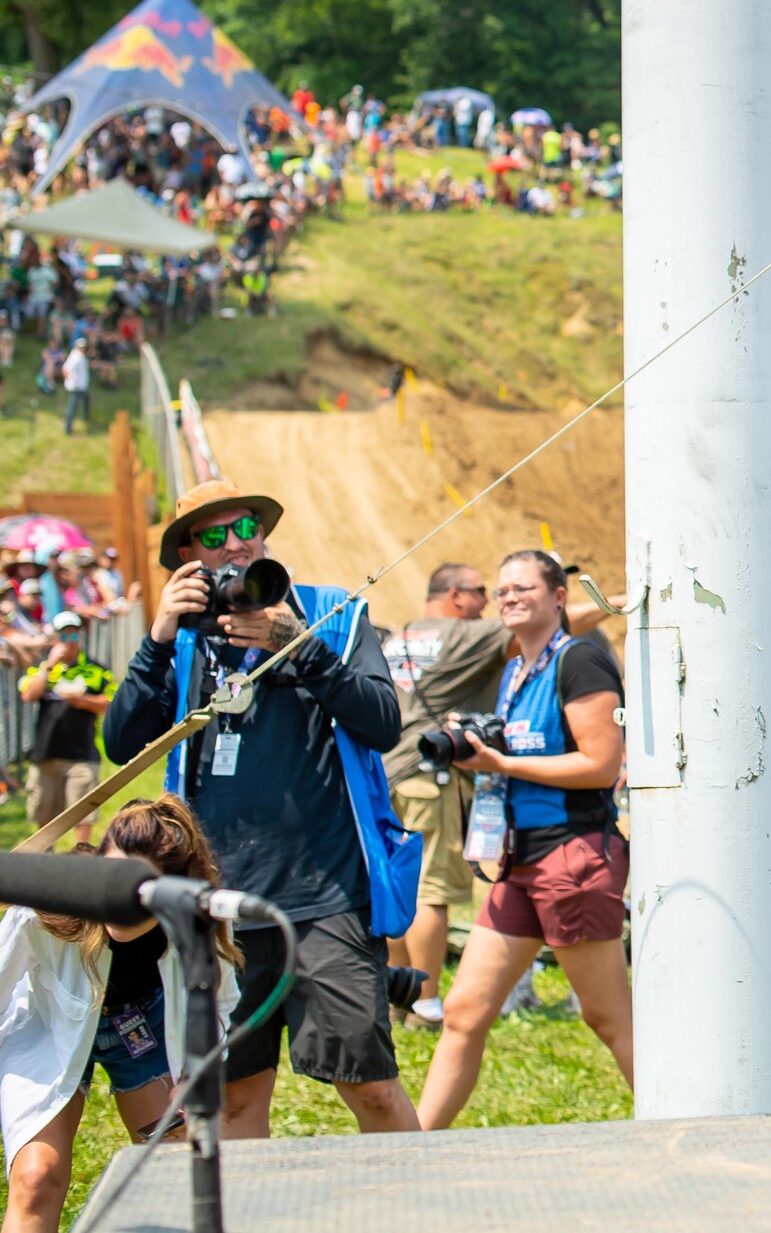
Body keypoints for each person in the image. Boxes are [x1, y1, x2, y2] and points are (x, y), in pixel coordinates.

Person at [103, 479, 420, 1137]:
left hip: (326, 894)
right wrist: (159, 635)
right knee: (238, 1101)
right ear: (190, 554)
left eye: (245, 527)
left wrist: (299, 644)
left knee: (375, 1093)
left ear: (265, 536)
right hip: (215, 908)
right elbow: (121, 743)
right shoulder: (184, 641)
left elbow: (384, 722)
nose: (236, 545)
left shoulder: (332, 613)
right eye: (214, 537)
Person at [418, 551, 631, 1127]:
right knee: (463, 1011)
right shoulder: (515, 669)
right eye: (503, 589)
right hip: (519, 862)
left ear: (558, 596)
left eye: (523, 588)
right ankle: (407, 1147)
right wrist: (481, 762)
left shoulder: (580, 660)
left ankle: (684, 1123)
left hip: (572, 854)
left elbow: (599, 764)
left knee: (608, 1017)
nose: (509, 597)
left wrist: (503, 766)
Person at [380, 562, 612, 1030]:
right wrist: (615, 606)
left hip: (390, 772)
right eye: (484, 591)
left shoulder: (400, 637)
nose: (488, 602)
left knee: (396, 885)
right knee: (431, 890)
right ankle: (424, 1002)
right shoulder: (460, 635)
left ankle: (396, 995)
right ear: (456, 596)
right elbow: (549, 626)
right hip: (432, 777)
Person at [1, 799, 237, 1233]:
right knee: (36, 1180)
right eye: (113, 879)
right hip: (48, 1029)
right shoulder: (44, 912)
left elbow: (221, 1002)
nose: (119, 901)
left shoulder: (196, 913)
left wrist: (195, 1072)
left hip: (144, 1027)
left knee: (171, 1172)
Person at [16, 613, 114, 846]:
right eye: (64, 635)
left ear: (80, 636)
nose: (69, 640)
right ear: (55, 638)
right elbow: (29, 694)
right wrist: (49, 666)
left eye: (73, 635)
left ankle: (81, 855)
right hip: (46, 752)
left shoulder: (95, 668)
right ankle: (44, 857)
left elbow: (112, 701)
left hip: (81, 752)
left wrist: (85, 701)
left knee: (83, 813)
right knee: (43, 811)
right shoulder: (43, 668)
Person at [58, 339, 88, 436]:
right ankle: (67, 428)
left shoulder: (78, 356)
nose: (82, 349)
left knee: (86, 398)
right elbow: (65, 369)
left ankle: (85, 417)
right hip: (76, 387)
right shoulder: (76, 357)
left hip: (80, 386)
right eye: (81, 347)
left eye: (83, 347)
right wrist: (71, 381)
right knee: (72, 407)